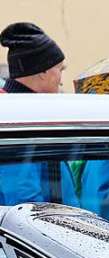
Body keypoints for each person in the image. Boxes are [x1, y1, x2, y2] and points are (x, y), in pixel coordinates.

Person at [0, 23, 68, 206]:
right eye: (60, 69)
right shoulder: (18, 119)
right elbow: (24, 202)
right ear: (43, 71)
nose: (61, 79)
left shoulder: (26, 112)